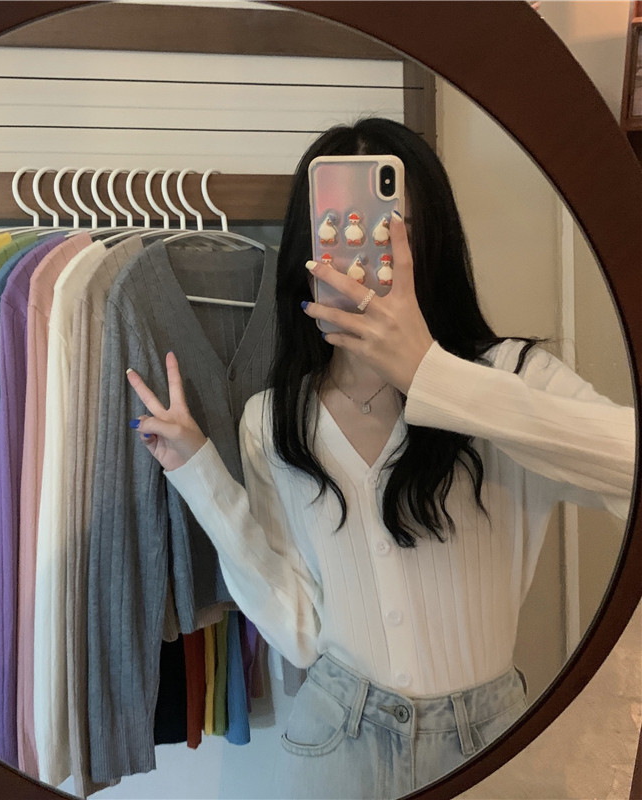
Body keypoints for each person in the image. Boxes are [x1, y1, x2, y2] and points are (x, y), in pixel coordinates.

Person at [124, 118, 634, 799]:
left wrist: (433, 376)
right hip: (335, 744)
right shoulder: (274, 422)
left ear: (433, 243)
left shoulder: (512, 377)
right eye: (340, 233)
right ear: (307, 251)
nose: (363, 260)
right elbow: (300, 634)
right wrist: (200, 476)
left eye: (393, 232)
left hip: (492, 747)